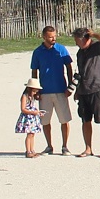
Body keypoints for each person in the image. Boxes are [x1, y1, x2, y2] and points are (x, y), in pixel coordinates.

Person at [28, 24, 75, 154]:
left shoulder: (61, 49)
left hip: (61, 90)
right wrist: (35, 90)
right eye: (50, 37)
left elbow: (69, 67)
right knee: (45, 121)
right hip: (44, 91)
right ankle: (49, 146)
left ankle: (65, 146)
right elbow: (34, 71)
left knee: (64, 119)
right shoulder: (37, 52)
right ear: (44, 37)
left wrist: (70, 86)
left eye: (54, 36)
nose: (53, 39)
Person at [73, 25, 100, 158]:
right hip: (83, 89)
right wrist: (77, 90)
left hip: (98, 88)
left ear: (84, 39)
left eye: (77, 40)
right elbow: (80, 73)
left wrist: (94, 34)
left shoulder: (98, 47)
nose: (76, 43)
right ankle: (88, 148)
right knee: (85, 119)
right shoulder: (80, 53)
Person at [16, 82, 44, 158]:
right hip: (27, 118)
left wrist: (38, 112)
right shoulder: (24, 96)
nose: (35, 93)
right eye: (34, 91)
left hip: (32, 118)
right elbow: (23, 109)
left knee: (32, 134)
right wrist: (33, 112)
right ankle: (28, 151)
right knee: (29, 135)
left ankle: (32, 150)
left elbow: (33, 107)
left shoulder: (32, 97)